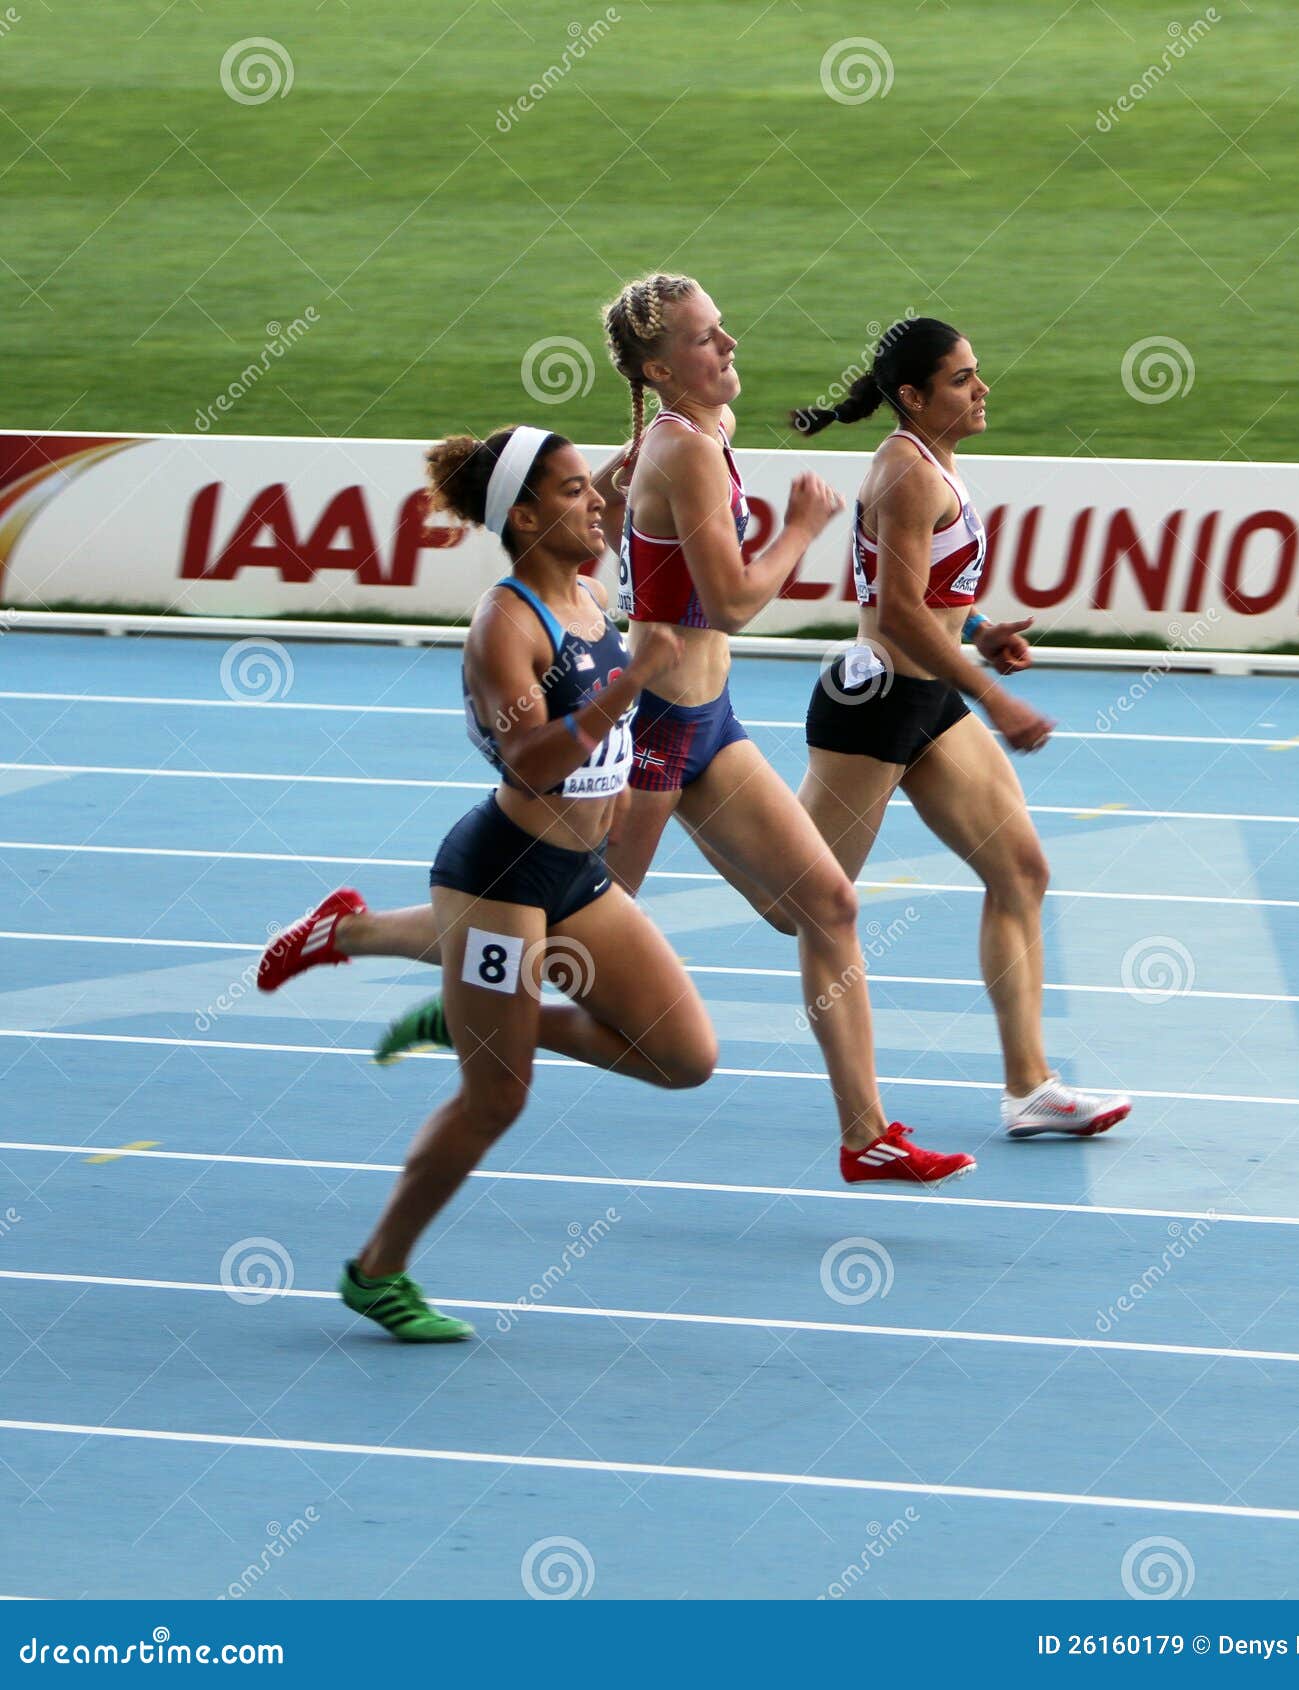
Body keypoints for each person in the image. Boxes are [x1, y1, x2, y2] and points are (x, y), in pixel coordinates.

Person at [263, 275, 975, 1188]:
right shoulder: (681, 448)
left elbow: (604, 514)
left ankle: (864, 1135)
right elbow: (734, 602)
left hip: (710, 719)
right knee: (565, 924)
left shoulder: (694, 434)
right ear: (658, 368)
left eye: (722, 328)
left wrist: (609, 491)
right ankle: (370, 942)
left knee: (827, 907)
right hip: (655, 732)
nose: (728, 345)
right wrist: (800, 528)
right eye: (704, 338)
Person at [265, 425, 718, 1341]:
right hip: (502, 874)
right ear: (524, 516)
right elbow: (531, 762)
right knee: (497, 1098)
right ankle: (376, 1272)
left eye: (593, 487)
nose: (595, 502)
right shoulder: (504, 626)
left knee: (684, 1057)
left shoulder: (588, 592)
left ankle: (419, 980)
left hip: (577, 876)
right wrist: (629, 684)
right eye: (572, 491)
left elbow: (605, 512)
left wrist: (626, 476)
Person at [737, 316, 1130, 1139]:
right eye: (961, 378)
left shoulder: (933, 461)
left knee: (1020, 872)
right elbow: (899, 615)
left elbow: (924, 594)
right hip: (878, 706)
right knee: (790, 907)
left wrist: (977, 628)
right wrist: (994, 696)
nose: (981, 388)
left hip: (930, 701)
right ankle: (685, 790)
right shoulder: (907, 474)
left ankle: (1029, 1088)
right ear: (912, 397)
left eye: (975, 372)